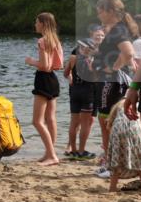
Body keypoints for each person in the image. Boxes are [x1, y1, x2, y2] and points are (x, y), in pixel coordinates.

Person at [91, 0, 139, 179]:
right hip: (112, 82)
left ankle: (112, 166)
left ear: (110, 11)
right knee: (112, 123)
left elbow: (128, 53)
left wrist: (113, 68)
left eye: (100, 10)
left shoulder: (118, 30)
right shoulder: (118, 29)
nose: (98, 14)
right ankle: (114, 164)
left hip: (110, 83)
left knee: (106, 123)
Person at [24, 12, 63, 165]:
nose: (35, 24)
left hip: (43, 80)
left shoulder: (42, 41)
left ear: (43, 24)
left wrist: (31, 61)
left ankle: (52, 155)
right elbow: (57, 66)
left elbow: (45, 66)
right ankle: (49, 153)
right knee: (50, 119)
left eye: (36, 22)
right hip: (53, 80)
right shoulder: (56, 40)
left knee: (37, 121)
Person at [64, 25, 104, 160]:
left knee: (75, 122)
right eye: (97, 35)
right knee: (85, 122)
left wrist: (72, 78)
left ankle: (73, 151)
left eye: (102, 35)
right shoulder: (93, 57)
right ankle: (81, 152)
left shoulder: (74, 56)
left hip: (76, 90)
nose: (99, 37)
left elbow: (66, 72)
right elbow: (95, 76)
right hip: (89, 92)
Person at [103, 98, 141, 193]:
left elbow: (109, 124)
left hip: (118, 130)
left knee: (116, 161)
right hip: (135, 129)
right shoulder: (140, 105)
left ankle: (112, 187)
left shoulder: (118, 105)